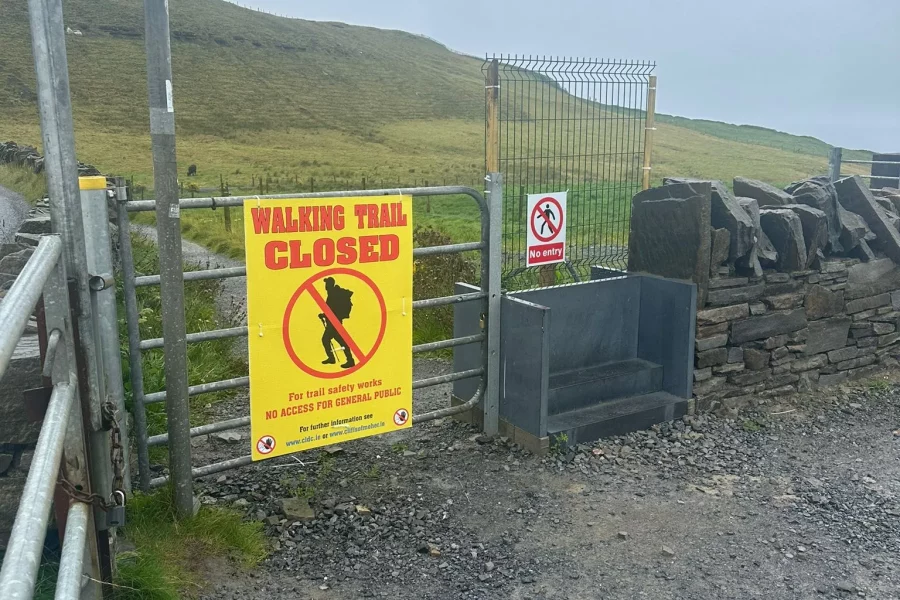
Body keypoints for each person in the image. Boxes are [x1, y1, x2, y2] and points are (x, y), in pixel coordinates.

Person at [319, 277, 355, 369]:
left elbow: (334, 310)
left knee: (327, 340)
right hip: (333, 322)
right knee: (339, 341)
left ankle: (346, 360)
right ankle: (347, 360)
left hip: (334, 323)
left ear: (330, 284)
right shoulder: (331, 294)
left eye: (327, 284)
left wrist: (326, 315)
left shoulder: (334, 294)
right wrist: (324, 315)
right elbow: (331, 310)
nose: (325, 286)